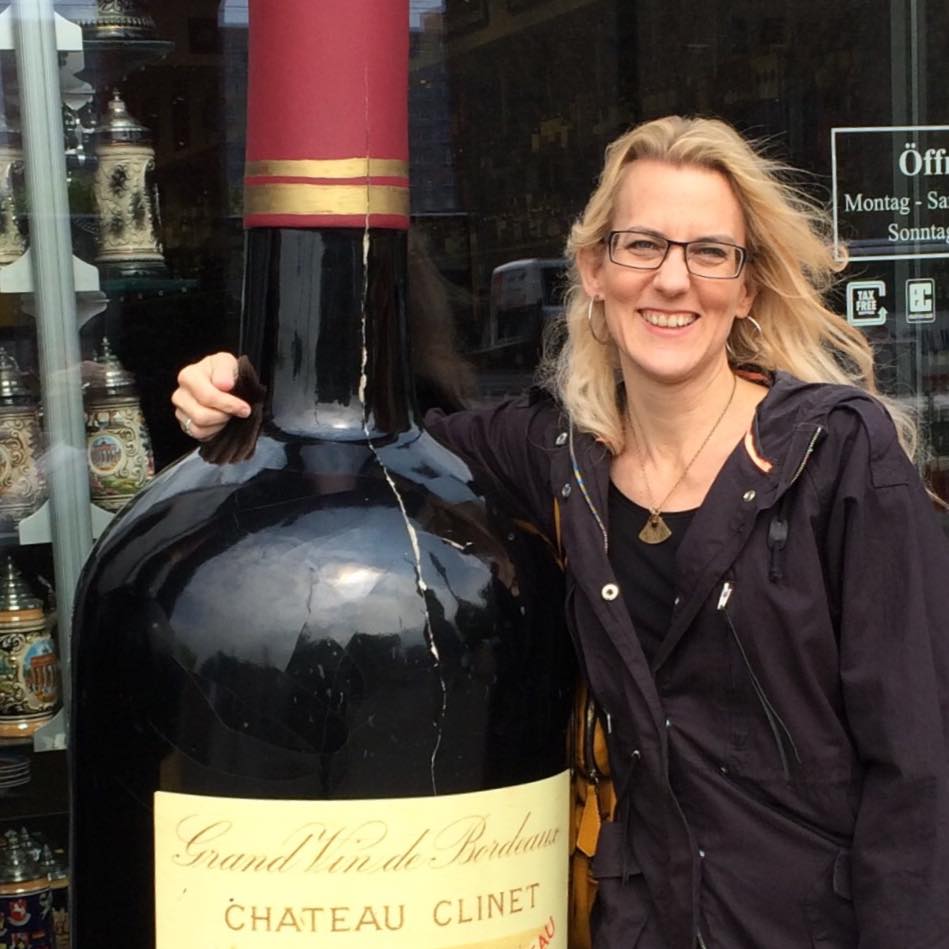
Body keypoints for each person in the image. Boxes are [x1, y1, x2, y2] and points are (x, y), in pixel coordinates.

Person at [172, 115, 949, 948]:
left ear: (746, 286)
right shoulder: (552, 453)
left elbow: (919, 764)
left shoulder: (834, 452)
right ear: (593, 269)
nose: (673, 280)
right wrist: (241, 390)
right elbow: (366, 440)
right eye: (641, 245)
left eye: (708, 252)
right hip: (638, 925)